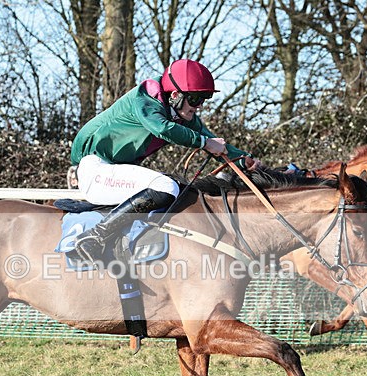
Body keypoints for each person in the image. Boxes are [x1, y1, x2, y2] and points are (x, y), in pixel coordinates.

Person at [69, 59, 260, 263]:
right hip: (96, 168)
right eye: (195, 98)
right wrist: (204, 143)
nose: (200, 106)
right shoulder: (145, 100)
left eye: (205, 98)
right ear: (175, 95)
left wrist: (243, 160)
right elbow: (162, 128)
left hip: (112, 169)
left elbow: (213, 142)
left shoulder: (179, 112)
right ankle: (94, 237)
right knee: (166, 187)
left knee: (177, 188)